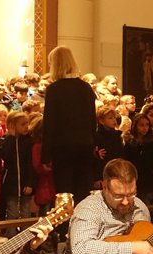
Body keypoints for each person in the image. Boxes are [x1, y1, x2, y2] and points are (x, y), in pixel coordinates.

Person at [43, 45, 97, 203]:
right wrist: (92, 143)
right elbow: (92, 121)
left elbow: (49, 123)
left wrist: (45, 155)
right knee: (83, 191)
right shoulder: (85, 88)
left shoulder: (54, 89)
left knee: (65, 193)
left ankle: (66, 226)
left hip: (62, 148)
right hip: (84, 147)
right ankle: (84, 225)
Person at [0, 112, 36, 223]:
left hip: (26, 183)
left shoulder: (29, 141)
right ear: (12, 125)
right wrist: (10, 138)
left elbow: (31, 164)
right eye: (22, 124)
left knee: (25, 211)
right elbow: (3, 155)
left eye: (27, 123)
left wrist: (30, 183)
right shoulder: (6, 140)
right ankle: (11, 234)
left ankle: (26, 237)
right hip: (11, 183)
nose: (26, 127)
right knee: (12, 211)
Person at [123, 113, 153, 202]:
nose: (145, 128)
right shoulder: (128, 142)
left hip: (148, 178)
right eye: (141, 125)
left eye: (147, 125)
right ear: (135, 126)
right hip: (133, 178)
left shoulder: (152, 142)